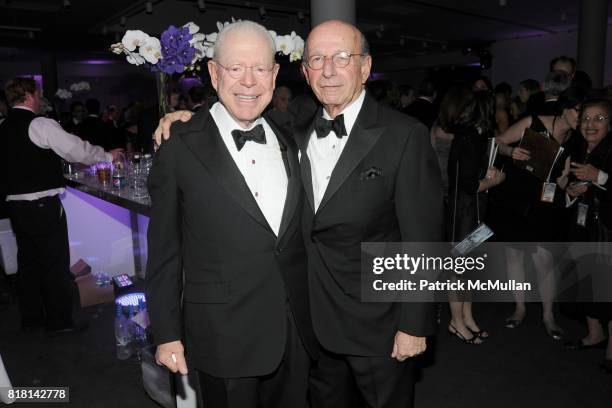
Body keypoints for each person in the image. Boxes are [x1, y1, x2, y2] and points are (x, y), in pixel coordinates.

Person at [155, 19, 443, 408]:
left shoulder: (404, 135)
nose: (328, 70)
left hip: (378, 323)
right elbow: (164, 251)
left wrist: (415, 324)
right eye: (317, 59)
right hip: (297, 327)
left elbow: (423, 240)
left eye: (342, 58)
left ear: (365, 67)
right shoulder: (292, 128)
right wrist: (166, 331)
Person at [145, 21, 318, 408]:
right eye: (235, 68)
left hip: (294, 331)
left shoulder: (292, 134)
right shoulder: (179, 147)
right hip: (223, 333)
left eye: (260, 68)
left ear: (275, 75)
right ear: (213, 72)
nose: (249, 82)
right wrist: (167, 333)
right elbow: (163, 252)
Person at [0, 77, 122, 335]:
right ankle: (59, 322)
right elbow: (76, 150)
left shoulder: (3, 126)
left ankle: (32, 320)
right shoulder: (39, 123)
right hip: (42, 206)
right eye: (39, 94)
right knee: (54, 265)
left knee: (29, 265)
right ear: (31, 95)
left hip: (16, 208)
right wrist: (108, 156)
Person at [492, 86, 586, 340]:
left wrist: (572, 186)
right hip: (516, 198)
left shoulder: (576, 140)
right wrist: (511, 151)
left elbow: (564, 181)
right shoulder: (533, 122)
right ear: (566, 108)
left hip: (546, 203)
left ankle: (548, 316)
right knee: (514, 257)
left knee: (545, 261)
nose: (583, 119)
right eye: (580, 112)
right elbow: (497, 143)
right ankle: (520, 308)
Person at [445, 90, 505, 344]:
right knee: (459, 271)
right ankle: (456, 322)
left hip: (472, 213)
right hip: (464, 215)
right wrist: (496, 180)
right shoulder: (470, 138)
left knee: (467, 270)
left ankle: (466, 318)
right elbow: (469, 185)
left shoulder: (474, 136)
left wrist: (487, 174)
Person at [560, 98, 612, 373]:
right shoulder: (577, 148)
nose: (591, 125)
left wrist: (600, 177)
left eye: (599, 119)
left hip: (607, 231)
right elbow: (568, 185)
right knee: (587, 281)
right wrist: (570, 192)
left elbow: (603, 182)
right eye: (586, 119)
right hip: (582, 227)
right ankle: (594, 334)